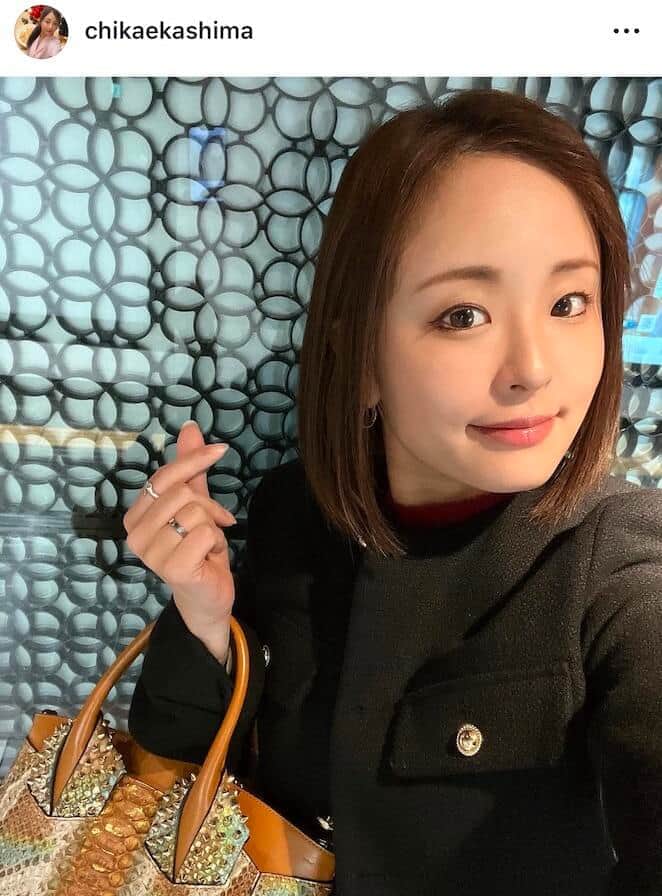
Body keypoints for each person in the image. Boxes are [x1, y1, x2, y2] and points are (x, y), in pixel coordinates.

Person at [124, 88, 662, 895]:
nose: (533, 368)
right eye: (464, 314)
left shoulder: (618, 564)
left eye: (568, 303)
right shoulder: (296, 514)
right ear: (363, 355)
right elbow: (180, 780)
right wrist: (203, 617)